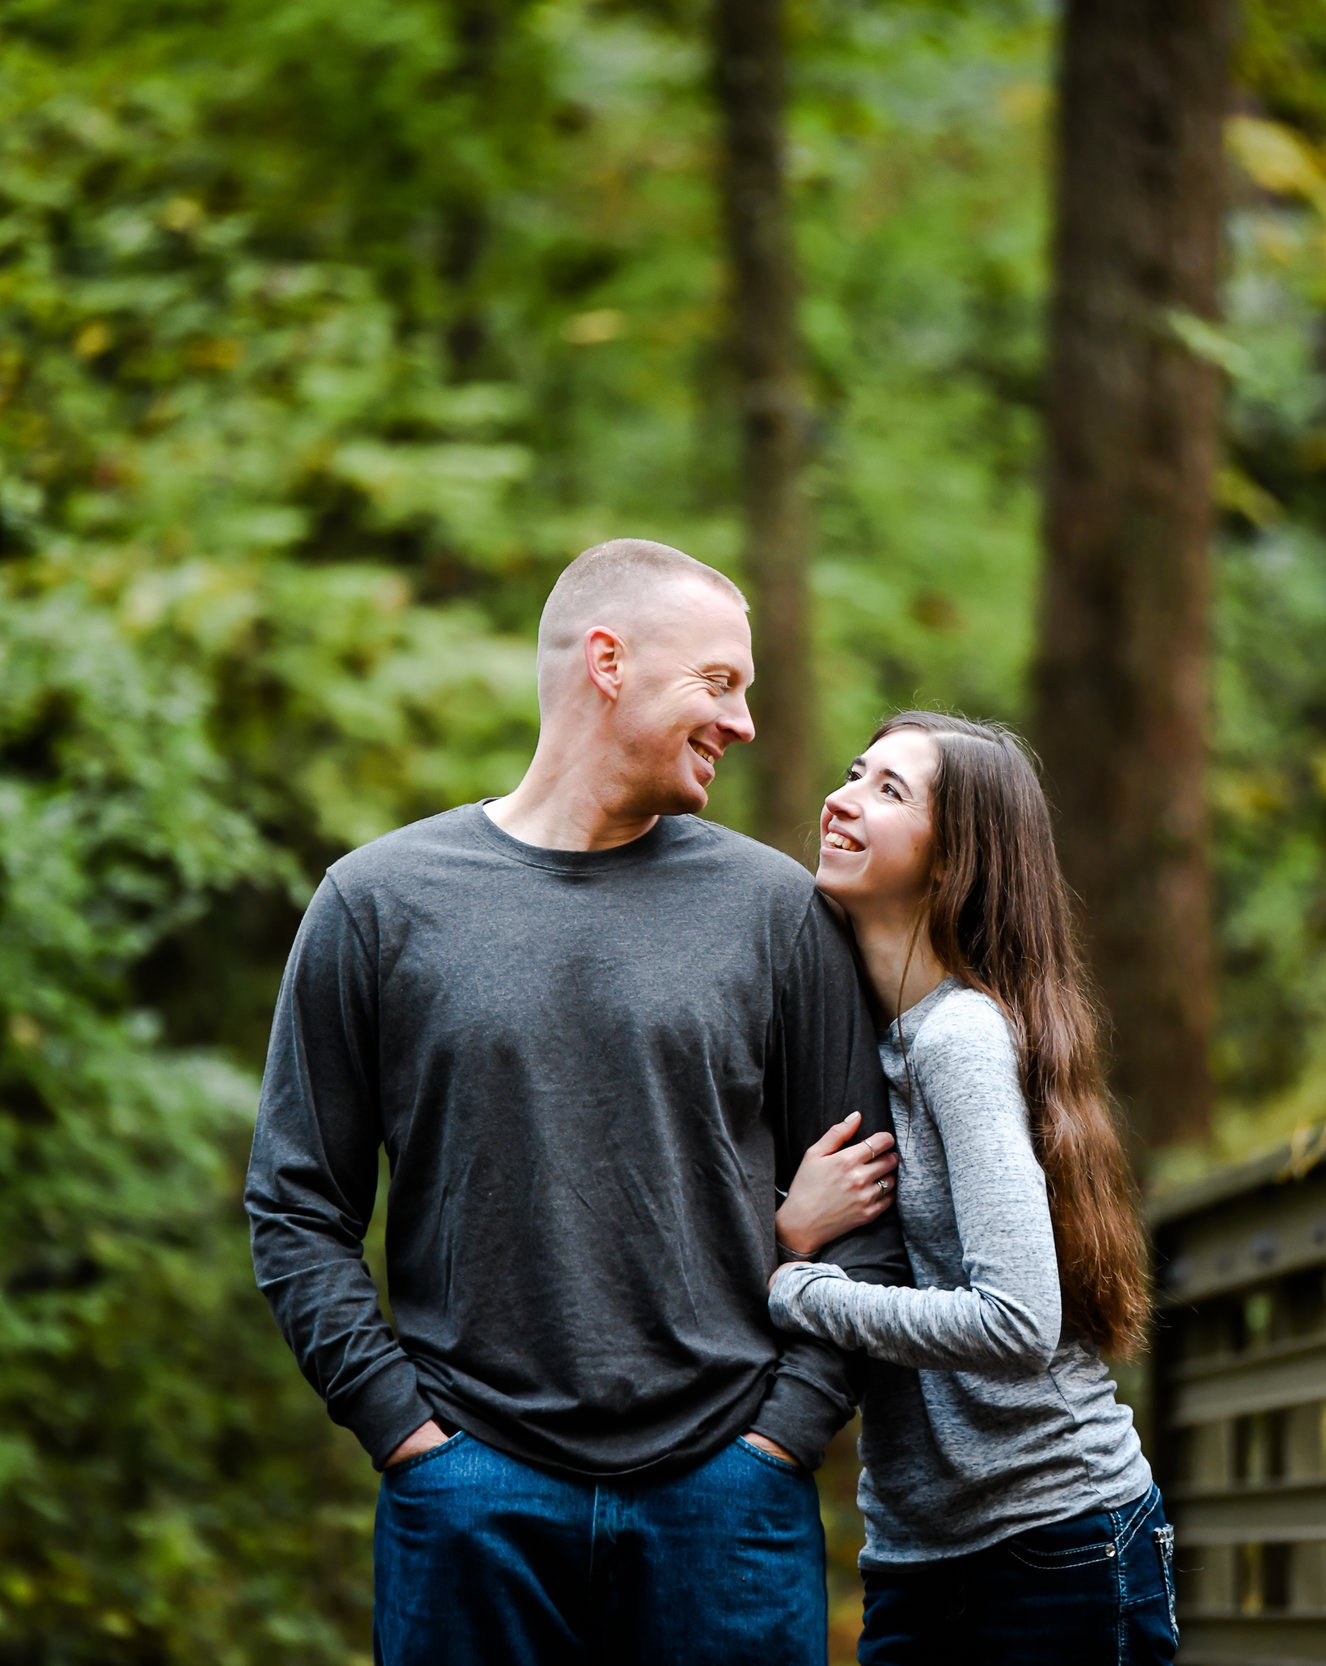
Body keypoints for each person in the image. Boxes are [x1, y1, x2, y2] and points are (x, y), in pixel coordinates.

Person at [245, 538, 908, 1666]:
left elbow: (875, 1202)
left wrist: (784, 1438)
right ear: (608, 661)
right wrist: (405, 1435)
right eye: (719, 683)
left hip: (726, 1498)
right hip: (471, 1497)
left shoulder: (778, 912)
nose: (742, 723)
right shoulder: (376, 903)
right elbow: (298, 1201)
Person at [765, 710, 1176, 1665]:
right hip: (917, 1551)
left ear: (953, 864)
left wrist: (800, 1287)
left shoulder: (959, 1040)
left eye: (889, 790)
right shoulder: (865, 1037)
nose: (843, 797)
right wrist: (790, 1232)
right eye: (855, 772)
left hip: (1054, 1538)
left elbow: (1018, 1321)